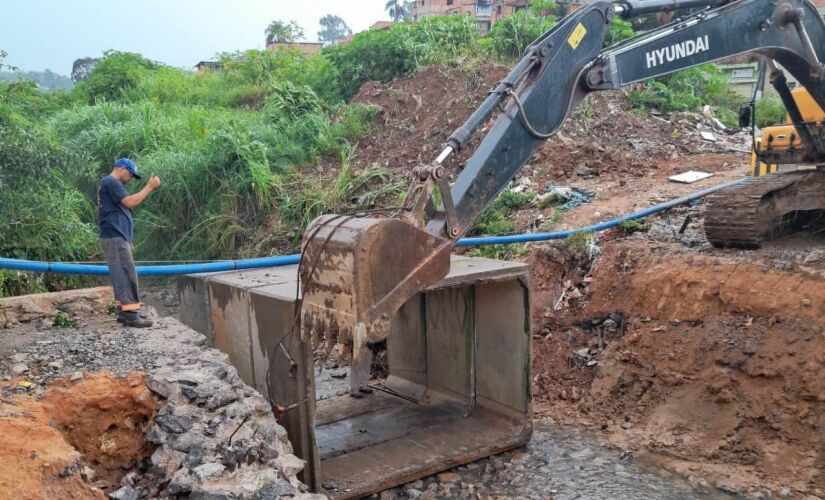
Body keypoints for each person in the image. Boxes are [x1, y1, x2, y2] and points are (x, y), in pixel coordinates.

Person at [98, 158, 160, 327]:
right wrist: (149, 187)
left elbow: (117, 211)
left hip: (117, 237)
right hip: (114, 236)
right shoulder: (111, 182)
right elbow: (130, 202)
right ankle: (131, 314)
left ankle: (125, 312)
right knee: (126, 273)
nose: (131, 178)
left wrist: (127, 238)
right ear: (123, 169)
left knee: (121, 272)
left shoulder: (109, 184)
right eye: (131, 174)